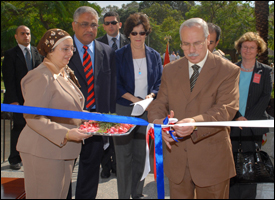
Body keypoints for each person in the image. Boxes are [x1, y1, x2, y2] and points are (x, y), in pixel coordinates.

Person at [148, 18, 240, 199]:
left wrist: (195, 123)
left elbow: (225, 109)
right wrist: (159, 125)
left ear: (208, 40)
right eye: (185, 44)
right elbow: (160, 103)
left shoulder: (228, 70)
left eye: (197, 43)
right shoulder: (170, 69)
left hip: (212, 160)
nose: (191, 50)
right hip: (177, 159)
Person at [16, 28, 91, 199]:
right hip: (43, 151)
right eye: (65, 48)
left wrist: (94, 118)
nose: (70, 53)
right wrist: (65, 133)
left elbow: (69, 109)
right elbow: (33, 117)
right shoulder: (40, 76)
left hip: (63, 150)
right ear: (49, 50)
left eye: (72, 48)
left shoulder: (63, 72)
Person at [68, 6, 116, 199]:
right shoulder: (62, 50)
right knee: (65, 167)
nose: (89, 29)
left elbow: (111, 89)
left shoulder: (107, 52)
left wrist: (109, 120)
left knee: (90, 170)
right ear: (74, 26)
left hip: (96, 121)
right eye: (84, 24)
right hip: (68, 121)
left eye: (94, 25)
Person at [114, 12, 162, 199]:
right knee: (123, 156)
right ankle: (124, 196)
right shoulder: (118, 55)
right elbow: (116, 84)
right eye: (134, 33)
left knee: (142, 156)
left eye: (142, 33)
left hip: (147, 110)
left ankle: (137, 193)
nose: (138, 37)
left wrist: (150, 97)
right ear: (128, 34)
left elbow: (159, 81)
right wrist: (136, 100)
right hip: (124, 108)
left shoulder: (155, 55)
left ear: (146, 33)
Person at [229, 32, 272, 199]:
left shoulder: (265, 71)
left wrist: (248, 118)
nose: (248, 50)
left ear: (258, 50)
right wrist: (238, 116)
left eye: (252, 47)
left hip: (253, 125)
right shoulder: (232, 69)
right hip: (233, 122)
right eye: (245, 47)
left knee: (250, 163)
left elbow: (265, 95)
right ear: (240, 49)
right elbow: (227, 95)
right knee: (232, 162)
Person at [2, 25, 43, 170]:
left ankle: (31, 155)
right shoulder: (10, 54)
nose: (26, 36)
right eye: (22, 33)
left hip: (35, 99)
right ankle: (14, 158)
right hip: (18, 99)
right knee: (19, 127)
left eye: (28, 33)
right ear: (16, 36)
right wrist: (13, 101)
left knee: (35, 127)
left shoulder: (37, 52)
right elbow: (8, 78)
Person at [96, 11, 130, 179]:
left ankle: (117, 165)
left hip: (124, 96)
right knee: (104, 132)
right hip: (103, 94)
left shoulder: (129, 42)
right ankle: (105, 166)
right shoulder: (97, 43)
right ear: (103, 25)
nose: (111, 25)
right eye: (107, 23)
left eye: (113, 22)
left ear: (119, 24)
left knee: (119, 132)